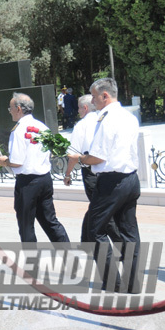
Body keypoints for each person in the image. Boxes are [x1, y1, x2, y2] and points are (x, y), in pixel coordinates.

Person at [78, 78, 141, 293]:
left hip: (111, 181)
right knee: (129, 232)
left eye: (95, 97)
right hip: (130, 179)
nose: (93, 101)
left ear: (105, 96)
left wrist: (80, 158)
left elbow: (98, 156)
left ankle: (112, 282)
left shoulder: (107, 119)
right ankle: (132, 284)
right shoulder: (129, 117)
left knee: (94, 231)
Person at [0, 93, 70, 244]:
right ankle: (68, 256)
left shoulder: (18, 130)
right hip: (44, 179)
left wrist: (4, 161)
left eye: (10, 108)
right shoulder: (42, 126)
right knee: (50, 221)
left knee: (26, 225)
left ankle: (32, 264)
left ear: (18, 109)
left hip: (28, 182)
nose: (9, 111)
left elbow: (17, 162)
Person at [63, 94, 123, 245]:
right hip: (108, 170)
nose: (77, 111)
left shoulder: (81, 125)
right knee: (96, 206)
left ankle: (120, 243)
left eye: (78, 107)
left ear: (84, 108)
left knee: (100, 210)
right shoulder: (103, 120)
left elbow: (73, 155)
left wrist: (67, 174)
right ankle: (86, 242)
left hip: (90, 170)